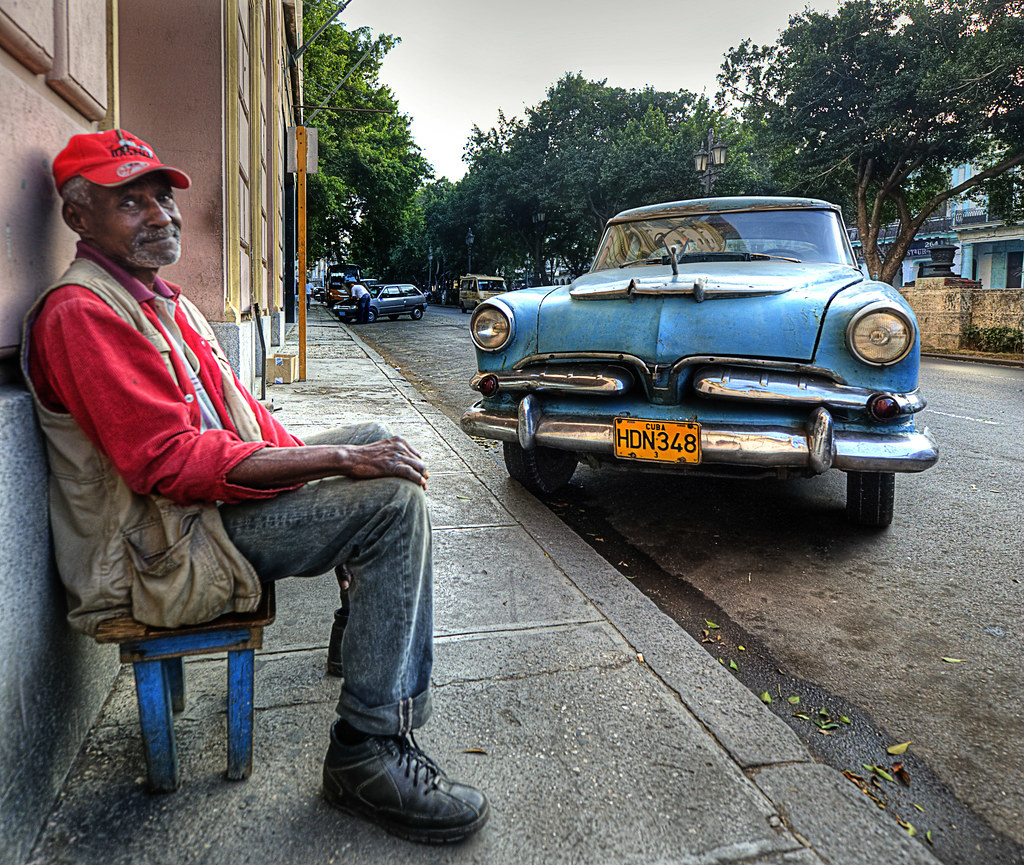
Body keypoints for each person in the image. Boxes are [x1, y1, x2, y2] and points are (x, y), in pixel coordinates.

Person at [21, 129, 488, 844]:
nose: (161, 215)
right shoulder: (83, 313)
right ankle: (367, 749)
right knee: (390, 506)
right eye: (131, 202)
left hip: (197, 516)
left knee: (371, 443)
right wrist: (334, 467)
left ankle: (368, 630)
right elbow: (172, 464)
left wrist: (334, 455)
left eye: (163, 197)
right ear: (79, 217)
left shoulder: (159, 302)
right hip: (162, 546)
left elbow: (243, 418)